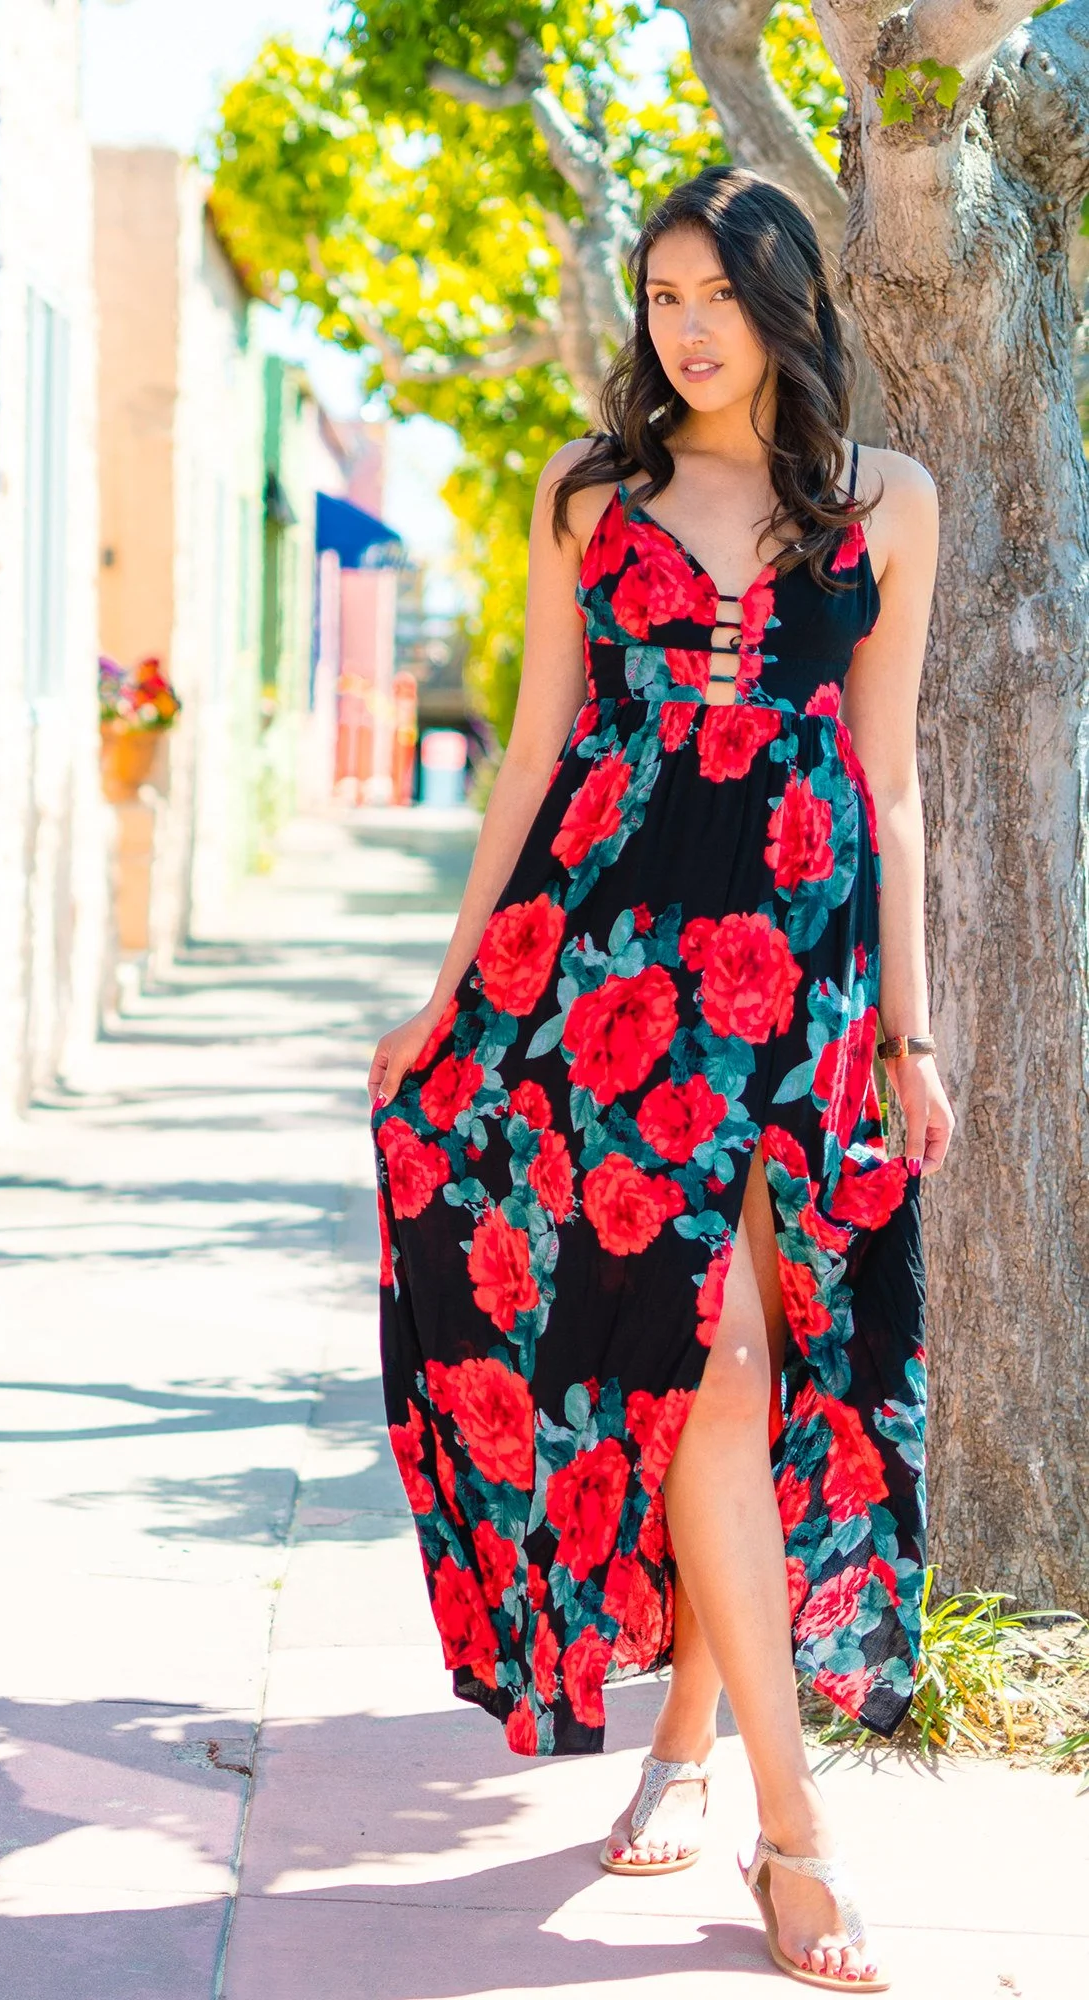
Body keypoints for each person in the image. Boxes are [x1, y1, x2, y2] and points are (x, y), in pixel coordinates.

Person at [367, 167, 952, 1993]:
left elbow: (894, 776)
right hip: (603, 965)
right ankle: (798, 1840)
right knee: (707, 1362)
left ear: (783, 302)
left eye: (713, 293)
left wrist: (913, 1037)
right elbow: (536, 746)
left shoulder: (887, 506)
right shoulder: (584, 495)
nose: (683, 328)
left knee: (766, 1351)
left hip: (804, 974)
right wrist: (450, 988)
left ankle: (691, 1745)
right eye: (662, 296)